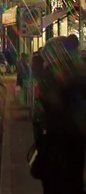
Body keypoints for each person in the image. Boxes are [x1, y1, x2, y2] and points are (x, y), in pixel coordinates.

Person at [35, 36, 86, 194]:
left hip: (55, 140)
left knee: (55, 182)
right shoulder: (80, 71)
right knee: (74, 178)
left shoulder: (49, 76)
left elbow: (41, 113)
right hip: (76, 139)